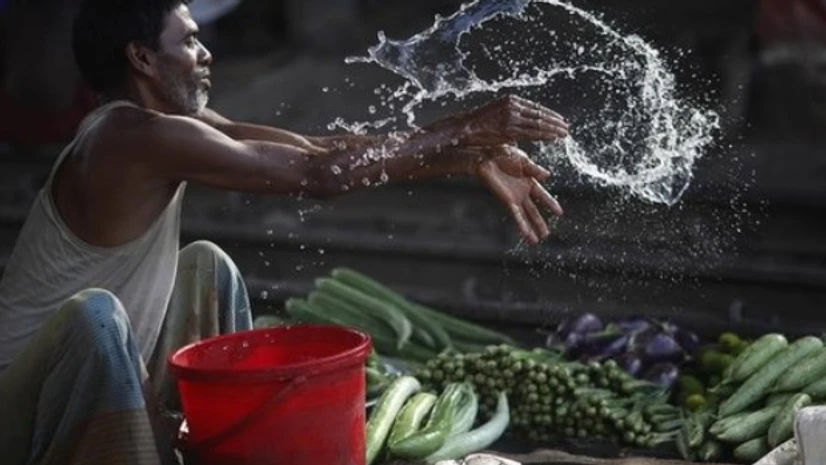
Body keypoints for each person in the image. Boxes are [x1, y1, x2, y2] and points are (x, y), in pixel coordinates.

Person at [0, 0, 569, 464]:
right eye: (190, 41)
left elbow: (317, 152)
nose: (205, 54)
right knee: (96, 315)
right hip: (19, 414)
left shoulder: (175, 127)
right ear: (143, 57)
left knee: (207, 263)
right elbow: (317, 178)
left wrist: (463, 154)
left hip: (72, 387)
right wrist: (463, 125)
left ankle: (220, 441)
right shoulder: (131, 137)